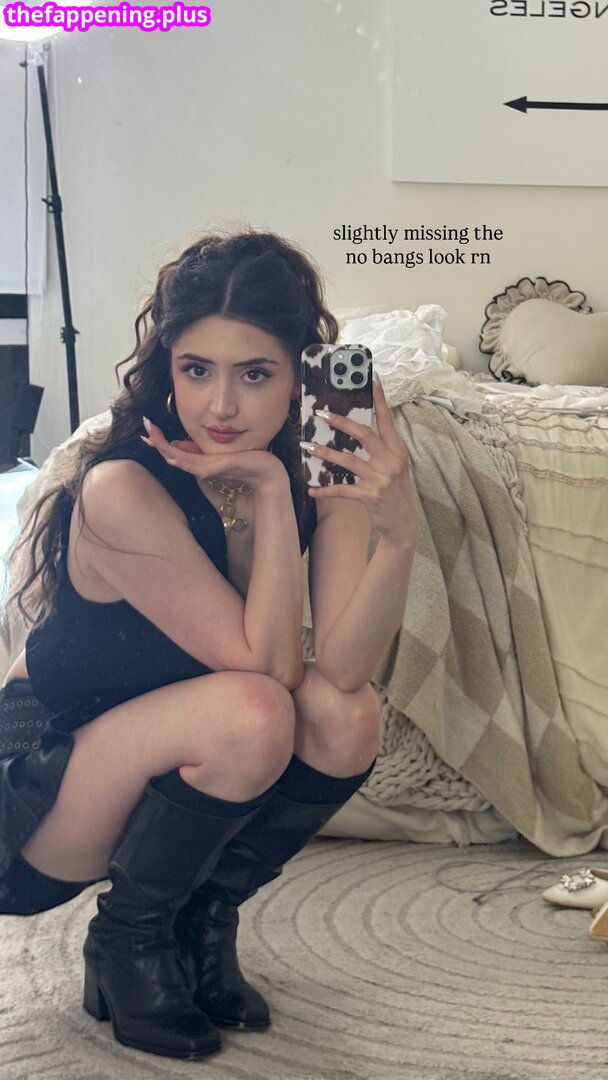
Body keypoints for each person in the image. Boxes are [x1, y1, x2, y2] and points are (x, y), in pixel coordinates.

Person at [0, 227, 417, 1061]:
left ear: (299, 376)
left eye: (255, 374)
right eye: (196, 370)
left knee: (347, 718)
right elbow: (269, 669)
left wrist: (399, 534)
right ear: (168, 367)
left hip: (158, 751)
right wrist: (267, 493)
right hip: (38, 782)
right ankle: (127, 940)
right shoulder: (123, 486)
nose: (220, 407)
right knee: (254, 710)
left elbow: (342, 668)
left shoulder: (315, 455)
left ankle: (199, 920)